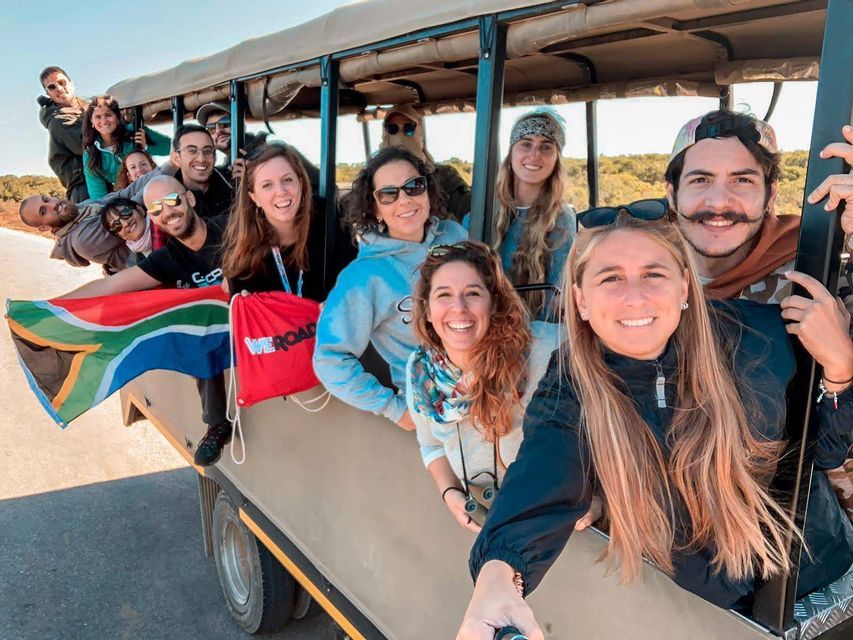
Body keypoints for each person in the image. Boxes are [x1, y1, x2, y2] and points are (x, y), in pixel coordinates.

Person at [457, 215, 853, 639]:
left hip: (825, 571)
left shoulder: (758, 334)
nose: (635, 297)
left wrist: (842, 372)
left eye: (653, 274)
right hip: (717, 608)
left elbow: (823, 450)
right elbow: (544, 474)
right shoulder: (574, 382)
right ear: (581, 300)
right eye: (610, 278)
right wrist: (500, 572)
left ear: (683, 286)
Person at [663, 110, 853, 518]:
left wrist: (842, 370)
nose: (718, 202)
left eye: (742, 180)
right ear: (671, 192)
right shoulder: (644, 276)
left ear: (770, 194)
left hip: (795, 519)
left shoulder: (815, 270)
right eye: (700, 180)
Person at [56, 175, 232, 466]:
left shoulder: (229, 229)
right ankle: (217, 425)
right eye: (156, 209)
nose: (167, 212)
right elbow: (109, 287)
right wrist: (56, 308)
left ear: (189, 198)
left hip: (253, 315)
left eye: (172, 201)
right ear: (152, 217)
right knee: (196, 338)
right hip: (216, 332)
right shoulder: (167, 258)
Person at [406, 241, 561, 533]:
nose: (459, 308)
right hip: (481, 519)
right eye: (444, 295)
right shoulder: (420, 371)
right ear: (427, 310)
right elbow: (431, 443)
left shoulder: (549, 350)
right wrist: (449, 491)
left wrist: (593, 496)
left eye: (472, 294)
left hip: (549, 522)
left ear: (494, 303)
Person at [313, 147, 467, 430]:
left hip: (488, 388)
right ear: (375, 208)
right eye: (389, 194)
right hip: (438, 412)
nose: (404, 200)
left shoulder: (455, 236)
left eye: (413, 186)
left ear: (428, 189)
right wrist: (393, 408)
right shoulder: (365, 276)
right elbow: (329, 359)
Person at [221, 142, 354, 299]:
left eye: (287, 180)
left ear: (301, 182)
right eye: (267, 185)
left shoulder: (331, 222)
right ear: (254, 197)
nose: (281, 191)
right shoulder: (245, 252)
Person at [487, 108, 576, 320]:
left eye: (546, 147)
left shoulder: (561, 218)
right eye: (526, 144)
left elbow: (556, 297)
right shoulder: (484, 212)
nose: (534, 155)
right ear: (511, 154)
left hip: (536, 333)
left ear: (556, 160)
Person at [196, 101, 321, 191]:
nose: (218, 131)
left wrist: (258, 176)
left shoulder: (274, 150)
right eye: (211, 128)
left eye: (225, 124)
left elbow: (321, 186)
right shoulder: (224, 168)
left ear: (242, 126)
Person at [380, 104, 471, 222]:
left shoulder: (445, 176)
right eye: (393, 129)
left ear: (419, 132)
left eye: (408, 128)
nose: (400, 135)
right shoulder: (375, 180)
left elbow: (467, 206)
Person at [81, 95, 171, 200]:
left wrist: (146, 146)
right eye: (98, 117)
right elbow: (97, 194)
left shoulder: (135, 130)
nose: (104, 121)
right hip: (124, 196)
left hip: (151, 187)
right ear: (91, 121)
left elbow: (172, 146)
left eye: (108, 115)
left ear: (117, 117)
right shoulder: (90, 153)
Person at [18, 195, 129, 272]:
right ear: (44, 227)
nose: (52, 205)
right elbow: (129, 216)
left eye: (46, 199)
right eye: (43, 211)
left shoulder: (81, 209)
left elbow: (122, 194)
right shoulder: (82, 240)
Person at [37, 66, 89, 203]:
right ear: (48, 93)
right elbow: (84, 145)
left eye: (62, 82)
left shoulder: (90, 106)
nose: (59, 89)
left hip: (108, 175)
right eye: (52, 87)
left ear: (72, 83)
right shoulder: (57, 121)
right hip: (83, 186)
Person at [170, 124, 234, 219]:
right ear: (176, 158)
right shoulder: (168, 198)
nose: (201, 159)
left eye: (207, 151)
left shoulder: (234, 185)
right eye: (192, 151)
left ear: (215, 157)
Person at [99, 197, 153, 262]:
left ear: (140, 210)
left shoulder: (166, 223)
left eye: (125, 213)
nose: (125, 224)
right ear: (120, 236)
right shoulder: (139, 264)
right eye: (116, 225)